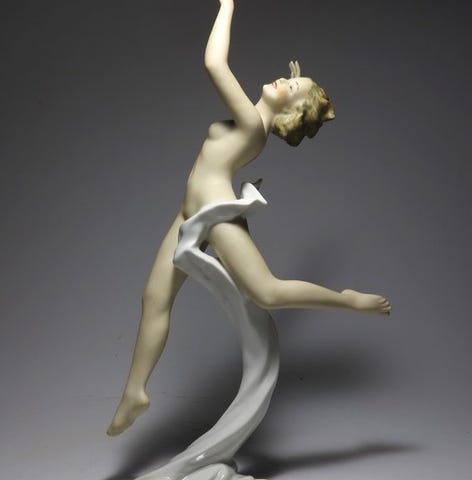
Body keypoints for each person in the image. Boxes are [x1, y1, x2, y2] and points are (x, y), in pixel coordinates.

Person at [107, 0, 391, 437]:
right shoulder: (252, 121)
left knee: (266, 291)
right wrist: (295, 84)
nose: (283, 80)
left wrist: (227, 4)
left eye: (291, 87)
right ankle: (135, 392)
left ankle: (348, 299)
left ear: (290, 111)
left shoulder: (251, 124)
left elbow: (214, 64)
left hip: (212, 209)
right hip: (189, 209)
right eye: (291, 78)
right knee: (154, 297)